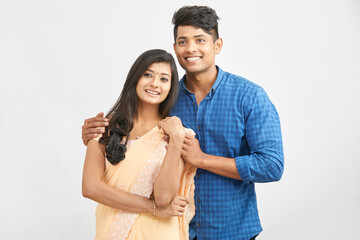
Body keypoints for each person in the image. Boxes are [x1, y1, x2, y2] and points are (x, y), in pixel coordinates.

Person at [82, 6, 284, 240]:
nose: (191, 49)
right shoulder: (164, 98)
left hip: (232, 231)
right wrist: (96, 137)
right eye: (182, 41)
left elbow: (271, 165)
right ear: (175, 48)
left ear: (217, 45)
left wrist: (202, 160)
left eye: (200, 40)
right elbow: (135, 144)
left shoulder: (249, 97)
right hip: (174, 231)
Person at [82, 49, 196, 240]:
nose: (154, 83)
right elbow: (90, 187)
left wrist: (176, 140)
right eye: (148, 75)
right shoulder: (104, 128)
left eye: (163, 79)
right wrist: (150, 208)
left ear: (170, 88)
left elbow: (163, 198)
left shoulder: (177, 134)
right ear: (135, 78)